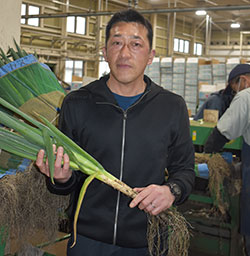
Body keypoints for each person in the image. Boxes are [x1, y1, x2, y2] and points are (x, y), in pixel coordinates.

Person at [36, 9, 195, 256]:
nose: (124, 53)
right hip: (87, 239)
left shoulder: (172, 107)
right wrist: (60, 177)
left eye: (136, 44)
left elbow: (185, 171)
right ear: (105, 52)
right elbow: (67, 182)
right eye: (117, 43)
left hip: (148, 240)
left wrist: (171, 191)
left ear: (151, 55)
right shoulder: (78, 103)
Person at [204, 63, 250, 256]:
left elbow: (224, 130)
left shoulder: (246, 96)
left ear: (243, 80)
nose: (234, 90)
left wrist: (208, 154)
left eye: (234, 86)